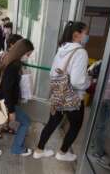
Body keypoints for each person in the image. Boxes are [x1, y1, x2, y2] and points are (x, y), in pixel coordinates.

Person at [33, 21, 90, 162]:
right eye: (86, 33)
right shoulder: (81, 52)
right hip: (73, 96)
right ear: (77, 34)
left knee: (52, 121)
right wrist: (89, 81)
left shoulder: (62, 48)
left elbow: (53, 73)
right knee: (76, 125)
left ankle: (39, 150)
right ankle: (63, 153)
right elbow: (77, 81)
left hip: (58, 93)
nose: (87, 36)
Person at [0, 39, 34, 157]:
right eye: (28, 54)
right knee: (25, 122)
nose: (28, 57)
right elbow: (8, 89)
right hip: (7, 102)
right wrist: (11, 110)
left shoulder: (8, 59)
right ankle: (17, 148)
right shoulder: (14, 66)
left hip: (1, 99)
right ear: (22, 52)